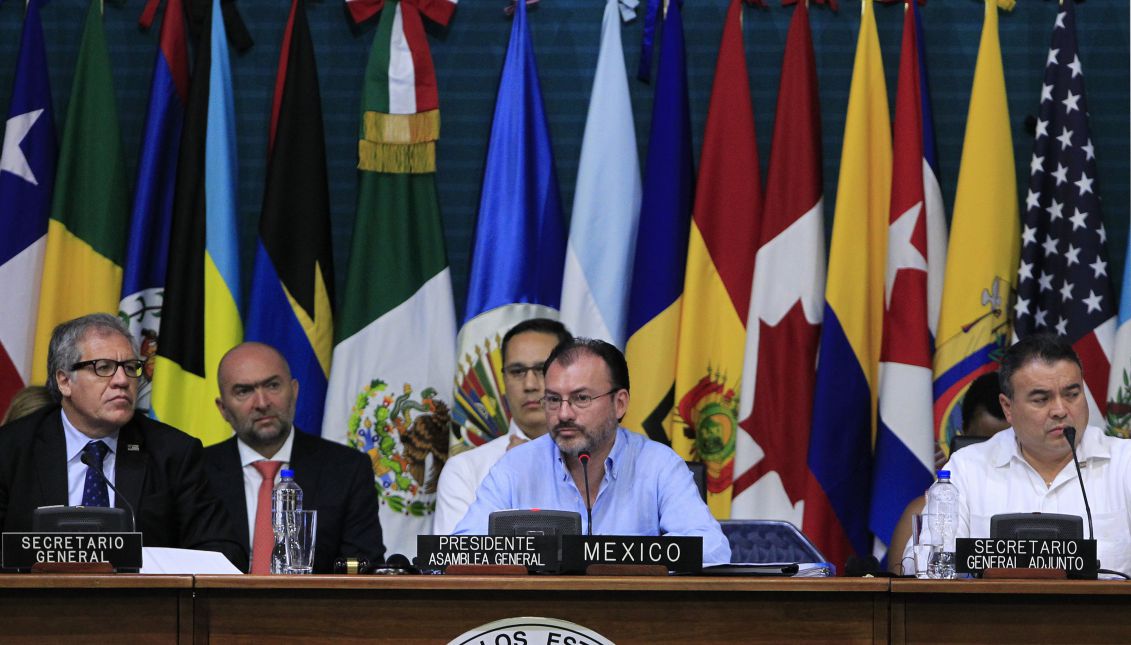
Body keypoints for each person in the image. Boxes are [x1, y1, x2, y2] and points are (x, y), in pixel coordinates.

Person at [453, 338, 731, 565]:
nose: (563, 414)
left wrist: (610, 556)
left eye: (581, 399)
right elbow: (462, 551)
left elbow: (712, 549)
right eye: (552, 400)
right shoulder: (516, 466)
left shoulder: (659, 465)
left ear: (619, 404)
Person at [0, 313, 246, 569]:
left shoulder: (172, 453)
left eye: (130, 368)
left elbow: (224, 552)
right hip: (37, 606)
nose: (122, 381)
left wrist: (143, 563)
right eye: (103, 367)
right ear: (64, 381)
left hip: (143, 606)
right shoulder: (11, 450)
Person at [902, 334, 1131, 574]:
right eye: (1041, 399)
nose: (1060, 410)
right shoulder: (968, 469)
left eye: (1072, 395)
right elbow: (921, 567)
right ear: (1008, 408)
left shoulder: (1124, 464)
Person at [205, 342, 385, 573]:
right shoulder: (196, 470)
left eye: (272, 385)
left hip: (315, 607)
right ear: (223, 409)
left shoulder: (346, 468)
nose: (262, 403)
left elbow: (364, 566)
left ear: (295, 390)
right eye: (244, 391)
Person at [433, 318, 571, 534]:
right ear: (504, 380)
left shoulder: (602, 463)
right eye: (517, 372)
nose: (530, 385)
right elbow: (455, 565)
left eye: (542, 369)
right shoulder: (465, 471)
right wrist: (514, 483)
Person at [888, 372, 1010, 574]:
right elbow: (900, 598)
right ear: (963, 432)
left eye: (1008, 440)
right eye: (987, 442)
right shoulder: (922, 511)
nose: (999, 448)